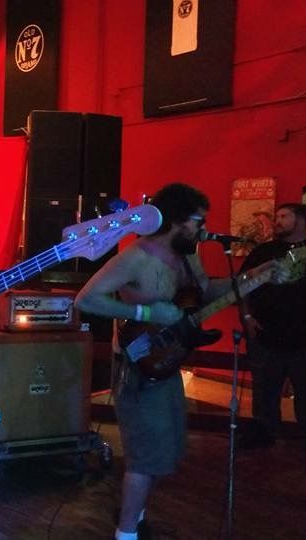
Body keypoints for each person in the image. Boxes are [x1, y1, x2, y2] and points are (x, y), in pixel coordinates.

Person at [75, 183, 248, 540]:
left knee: (164, 449)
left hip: (167, 361)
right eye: (198, 220)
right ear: (176, 220)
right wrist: (145, 312)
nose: (202, 228)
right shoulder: (136, 257)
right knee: (144, 454)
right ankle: (125, 533)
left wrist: (252, 279)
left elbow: (204, 293)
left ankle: (136, 517)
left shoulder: (189, 256)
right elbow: (86, 299)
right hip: (137, 366)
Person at [239, 203, 306, 461]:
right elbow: (242, 284)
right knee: (264, 389)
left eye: (283, 216)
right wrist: (247, 317)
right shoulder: (264, 252)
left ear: (300, 220)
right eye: (277, 216)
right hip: (267, 334)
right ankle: (264, 430)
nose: (277, 220)